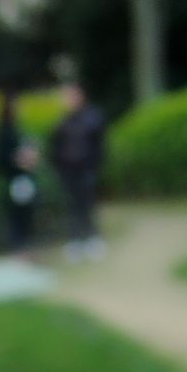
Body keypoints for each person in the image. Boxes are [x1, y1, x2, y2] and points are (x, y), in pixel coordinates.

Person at [50, 82, 107, 260]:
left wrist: (95, 166)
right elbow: (54, 147)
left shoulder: (92, 118)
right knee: (72, 206)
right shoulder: (62, 122)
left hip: (87, 168)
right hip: (68, 171)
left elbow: (99, 145)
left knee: (87, 204)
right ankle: (75, 240)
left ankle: (92, 238)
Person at [0, 90, 41, 254]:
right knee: (17, 217)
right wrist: (17, 161)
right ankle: (19, 249)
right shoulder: (4, 133)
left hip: (25, 179)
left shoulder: (18, 130)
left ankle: (26, 247)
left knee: (26, 215)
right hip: (14, 181)